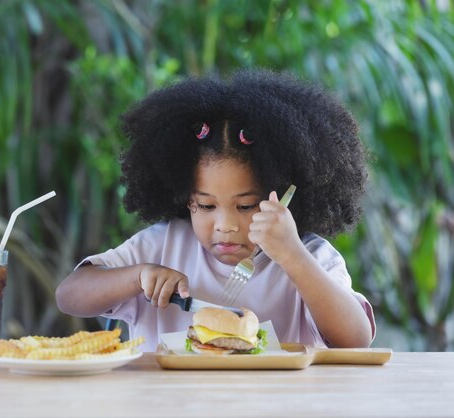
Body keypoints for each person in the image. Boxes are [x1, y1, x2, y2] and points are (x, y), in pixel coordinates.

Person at [56, 69, 375, 352]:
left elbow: (356, 338)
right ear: (184, 197)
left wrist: (292, 255)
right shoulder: (162, 246)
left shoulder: (310, 256)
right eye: (206, 205)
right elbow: (68, 296)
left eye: (247, 205)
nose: (225, 225)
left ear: (287, 197)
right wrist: (137, 277)